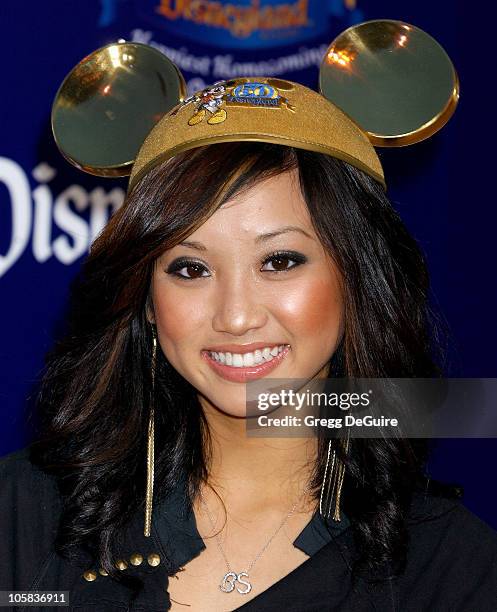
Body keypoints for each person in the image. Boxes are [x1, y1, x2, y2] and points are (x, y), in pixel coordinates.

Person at [2, 39, 497, 611]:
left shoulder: (455, 571)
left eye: (280, 261)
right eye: (190, 268)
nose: (236, 316)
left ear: (356, 275)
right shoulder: (21, 515)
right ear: (144, 298)